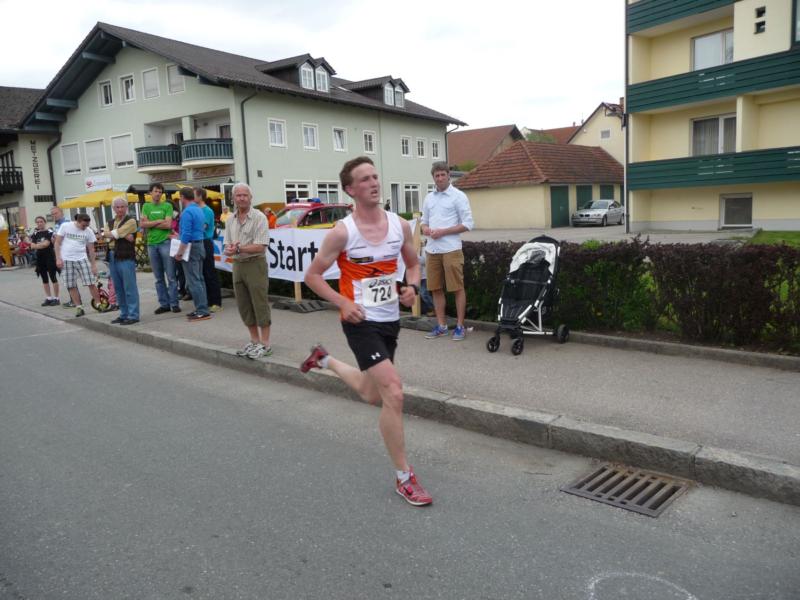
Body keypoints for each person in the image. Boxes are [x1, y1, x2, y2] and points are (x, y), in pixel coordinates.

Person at [301, 156, 431, 507]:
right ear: (350, 190)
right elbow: (312, 276)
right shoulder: (342, 232)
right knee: (394, 392)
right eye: (365, 179)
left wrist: (411, 288)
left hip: (389, 320)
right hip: (359, 322)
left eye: (375, 176)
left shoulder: (399, 225)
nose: (374, 183)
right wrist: (343, 303)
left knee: (371, 392)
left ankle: (324, 360)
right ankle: (404, 477)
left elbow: (413, 265)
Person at [421, 161, 474, 341]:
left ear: (448, 176)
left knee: (457, 288)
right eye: (437, 175)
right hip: (432, 249)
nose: (440, 178)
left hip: (451, 249)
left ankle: (460, 326)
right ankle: (442, 326)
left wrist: (443, 231)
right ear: (433, 178)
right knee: (435, 288)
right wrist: (425, 229)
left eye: (443, 174)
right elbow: (424, 221)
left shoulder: (458, 196)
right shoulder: (429, 198)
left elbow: (468, 223)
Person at [223, 182, 272, 359]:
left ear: (251, 198)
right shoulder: (230, 219)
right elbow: (227, 245)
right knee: (244, 304)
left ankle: (265, 344)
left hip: (255, 263)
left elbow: (261, 246)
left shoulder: (259, 217)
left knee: (259, 303)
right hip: (237, 264)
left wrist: (238, 248)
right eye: (238, 195)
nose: (242, 198)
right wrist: (229, 250)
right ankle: (254, 341)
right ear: (233, 198)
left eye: (245, 195)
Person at [98, 197, 140, 325]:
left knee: (129, 287)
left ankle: (133, 315)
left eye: (122, 206)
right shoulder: (110, 221)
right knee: (118, 288)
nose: (120, 209)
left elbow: (111, 234)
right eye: (117, 207)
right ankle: (124, 314)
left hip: (125, 256)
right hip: (112, 255)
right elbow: (105, 237)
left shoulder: (131, 221)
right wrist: (120, 234)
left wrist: (111, 234)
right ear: (113, 208)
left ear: (126, 207)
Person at [54, 213, 104, 317]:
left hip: (82, 258)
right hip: (66, 259)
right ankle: (79, 307)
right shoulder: (66, 226)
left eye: (87, 225)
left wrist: (93, 265)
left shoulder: (88, 231)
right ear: (78, 221)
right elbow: (57, 243)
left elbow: (91, 249)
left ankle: (99, 304)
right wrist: (58, 258)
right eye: (83, 225)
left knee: (91, 282)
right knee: (71, 285)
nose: (85, 227)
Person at [141, 183, 180, 314]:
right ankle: (164, 304)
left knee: (171, 276)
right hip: (151, 244)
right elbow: (142, 224)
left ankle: (174, 303)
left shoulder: (167, 206)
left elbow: (168, 225)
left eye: (160, 192)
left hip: (165, 243)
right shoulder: (146, 206)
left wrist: (151, 223)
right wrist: (159, 221)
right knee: (158, 278)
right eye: (156, 191)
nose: (158, 194)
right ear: (150, 193)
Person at [174, 187, 211, 322]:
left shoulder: (187, 212)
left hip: (191, 247)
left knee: (193, 281)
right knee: (199, 279)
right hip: (200, 244)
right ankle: (203, 307)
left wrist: (180, 252)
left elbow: (186, 234)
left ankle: (202, 310)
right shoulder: (199, 209)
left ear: (182, 197)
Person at [194, 187, 222, 312]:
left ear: (200, 196)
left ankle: (216, 302)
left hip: (205, 242)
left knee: (209, 272)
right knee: (202, 273)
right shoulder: (196, 209)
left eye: (194, 195)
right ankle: (207, 300)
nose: (192, 197)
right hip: (198, 242)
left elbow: (202, 227)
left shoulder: (207, 211)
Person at [30, 216, 60, 305]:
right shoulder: (35, 233)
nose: (39, 223)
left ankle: (56, 298)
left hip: (50, 257)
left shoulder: (49, 232)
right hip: (40, 258)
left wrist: (37, 245)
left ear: (45, 222)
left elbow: (46, 244)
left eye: (41, 221)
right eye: (37, 222)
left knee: (53, 278)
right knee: (44, 279)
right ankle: (49, 298)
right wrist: (39, 245)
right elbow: (32, 246)